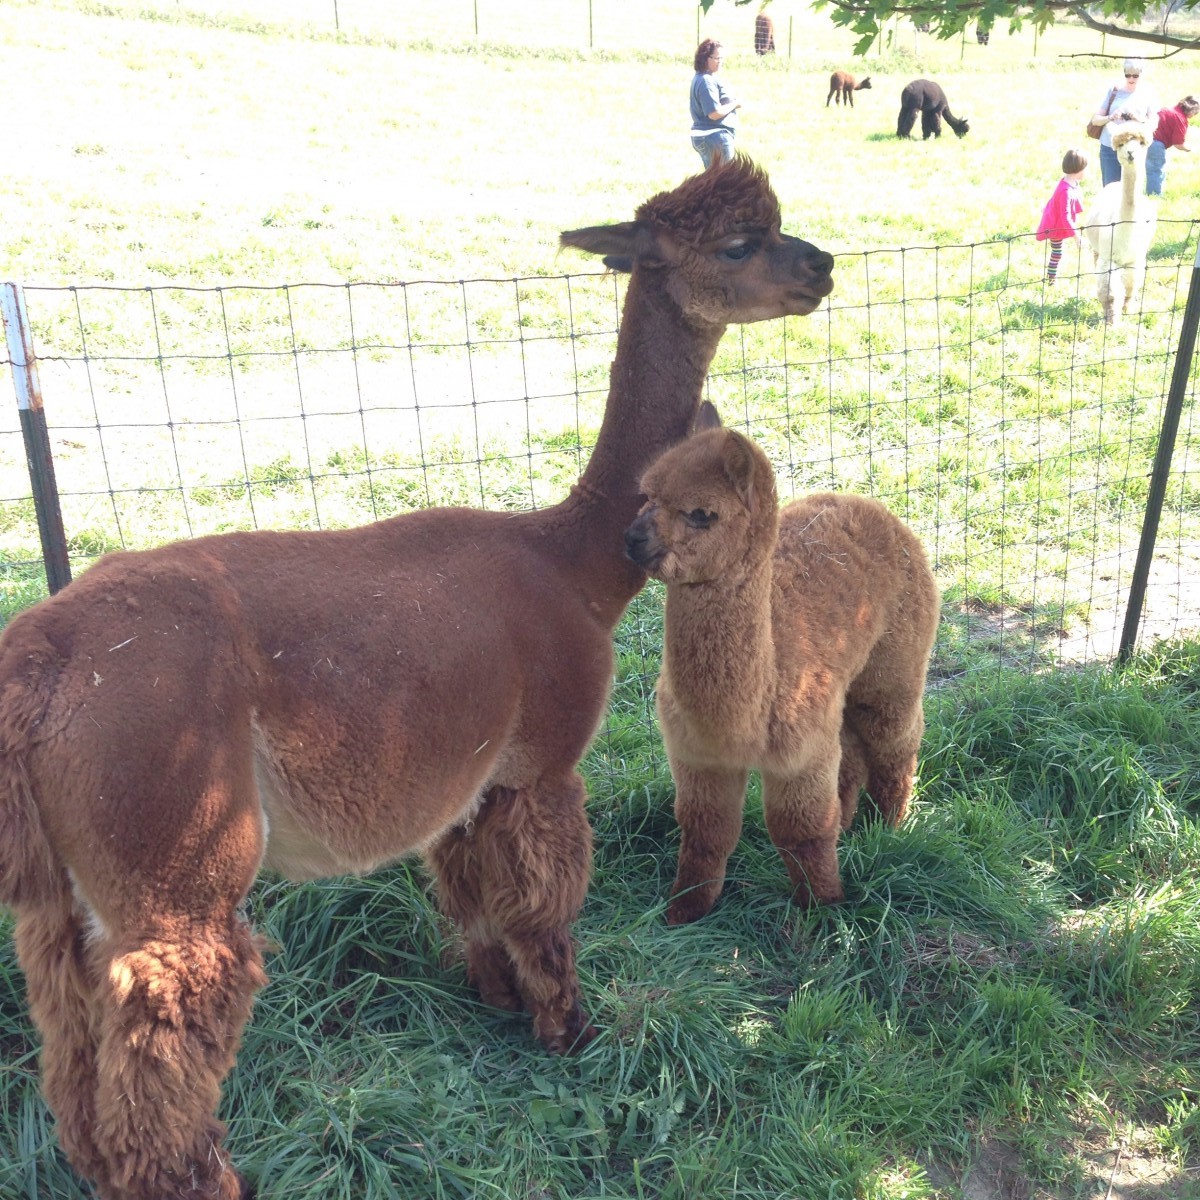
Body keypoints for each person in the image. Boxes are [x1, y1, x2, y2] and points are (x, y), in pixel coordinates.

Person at [1091, 58, 1159, 186]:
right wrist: (1110, 117)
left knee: (1131, 189)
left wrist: (1139, 119)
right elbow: (1095, 120)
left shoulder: (1148, 93)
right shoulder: (1114, 91)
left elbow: (1153, 123)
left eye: (1135, 76)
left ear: (1141, 74)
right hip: (1110, 147)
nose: (1131, 79)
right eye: (1127, 75)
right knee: (1110, 187)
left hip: (1134, 149)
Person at [1036, 148, 1088, 285]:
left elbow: (1055, 199)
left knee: (1058, 251)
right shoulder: (1066, 191)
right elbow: (1065, 217)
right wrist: (1077, 237)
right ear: (1078, 170)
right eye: (1084, 168)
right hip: (1055, 225)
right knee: (1057, 253)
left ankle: (1051, 279)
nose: (1086, 172)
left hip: (1058, 222)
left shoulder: (1070, 182)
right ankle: (1050, 280)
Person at [690, 39, 741, 169]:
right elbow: (714, 113)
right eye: (716, 58)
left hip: (708, 136)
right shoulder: (706, 81)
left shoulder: (701, 78)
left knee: (716, 183)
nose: (720, 61)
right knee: (727, 181)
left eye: (721, 58)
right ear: (705, 58)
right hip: (715, 136)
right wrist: (734, 104)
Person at [1146, 95, 1200, 195]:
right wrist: (1188, 149)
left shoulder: (1167, 109)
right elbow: (1178, 143)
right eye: (1196, 112)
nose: (1195, 115)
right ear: (1192, 110)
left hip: (1145, 141)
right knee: (1156, 171)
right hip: (1156, 145)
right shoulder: (1180, 118)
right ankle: (1154, 195)